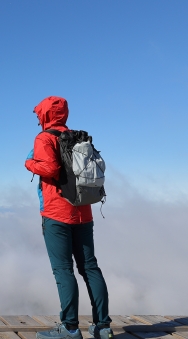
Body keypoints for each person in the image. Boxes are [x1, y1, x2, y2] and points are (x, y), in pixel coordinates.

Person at [25, 96, 113, 339]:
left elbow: (50, 169)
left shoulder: (45, 138)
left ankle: (70, 328)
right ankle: (103, 327)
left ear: (44, 114)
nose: (36, 117)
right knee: (90, 267)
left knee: (63, 269)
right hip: (83, 212)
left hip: (56, 214)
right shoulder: (78, 137)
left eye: (38, 114)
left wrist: (29, 163)